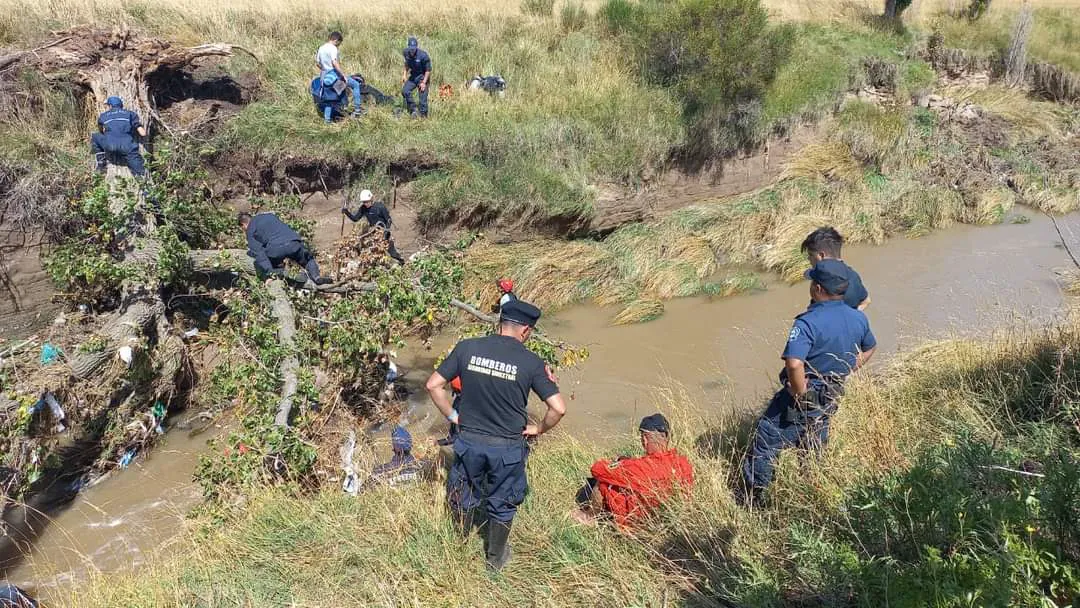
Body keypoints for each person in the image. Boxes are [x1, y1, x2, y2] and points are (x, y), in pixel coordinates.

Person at [424, 299, 567, 571]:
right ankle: (495, 559)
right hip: (507, 448)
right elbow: (558, 409)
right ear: (526, 331)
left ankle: (460, 542)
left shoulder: (468, 347)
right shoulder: (532, 362)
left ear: (501, 323)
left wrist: (453, 417)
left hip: (468, 442)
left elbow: (433, 385)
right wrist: (539, 428)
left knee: (463, 494)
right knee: (502, 503)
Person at [740, 259, 877, 505]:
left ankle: (755, 499)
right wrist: (849, 368)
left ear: (818, 289)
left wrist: (800, 392)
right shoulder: (858, 318)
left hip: (806, 392)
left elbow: (794, 363)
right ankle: (812, 490)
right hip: (834, 390)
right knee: (815, 437)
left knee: (767, 440)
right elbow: (870, 347)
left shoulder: (807, 323)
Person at [571, 413, 694, 528]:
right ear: (666, 437)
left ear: (645, 439)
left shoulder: (639, 467)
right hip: (667, 516)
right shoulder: (683, 462)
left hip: (638, 521)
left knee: (602, 482)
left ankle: (589, 517)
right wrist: (626, 462)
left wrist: (618, 464)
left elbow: (597, 470)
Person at [238, 212, 332, 285]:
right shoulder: (270, 216)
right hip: (294, 242)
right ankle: (316, 277)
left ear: (243, 225)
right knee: (308, 259)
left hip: (276, 249)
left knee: (268, 262)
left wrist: (269, 272)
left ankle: (281, 273)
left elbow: (259, 253)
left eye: (242, 229)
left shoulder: (250, 229)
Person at [801, 227, 869, 310]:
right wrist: (854, 316)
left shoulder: (823, 281)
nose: (809, 259)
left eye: (811, 255)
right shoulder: (853, 276)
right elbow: (866, 301)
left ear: (821, 256)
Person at [342, 189, 405, 264]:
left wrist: (386, 231)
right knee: (372, 252)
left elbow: (389, 220)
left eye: (367, 201)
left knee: (391, 252)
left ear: (371, 199)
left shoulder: (380, 207)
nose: (365, 204)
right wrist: (346, 212)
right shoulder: (363, 208)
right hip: (374, 232)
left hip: (384, 231)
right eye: (364, 202)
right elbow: (355, 219)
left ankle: (402, 261)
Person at [91, 96, 146, 177]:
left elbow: (101, 130)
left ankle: (101, 163)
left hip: (109, 145)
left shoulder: (103, 116)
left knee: (95, 136)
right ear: (121, 105)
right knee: (140, 173)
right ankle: (144, 186)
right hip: (128, 146)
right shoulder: (130, 114)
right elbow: (143, 133)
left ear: (110, 106)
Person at [315, 31, 364, 121]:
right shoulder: (333, 48)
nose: (338, 46)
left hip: (325, 77)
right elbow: (334, 62)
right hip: (334, 76)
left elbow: (317, 63)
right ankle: (357, 110)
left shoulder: (321, 48)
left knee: (329, 98)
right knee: (356, 85)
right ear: (336, 40)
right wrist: (343, 75)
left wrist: (325, 70)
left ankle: (327, 120)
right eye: (339, 43)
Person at [401, 36, 431, 118]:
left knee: (422, 100)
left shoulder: (423, 56)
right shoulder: (406, 52)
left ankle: (423, 116)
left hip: (423, 76)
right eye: (411, 48)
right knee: (405, 91)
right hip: (413, 76)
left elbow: (428, 70)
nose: (412, 50)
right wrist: (404, 74)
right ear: (408, 47)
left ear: (416, 47)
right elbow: (406, 64)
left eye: (414, 48)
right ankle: (413, 108)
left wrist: (424, 83)